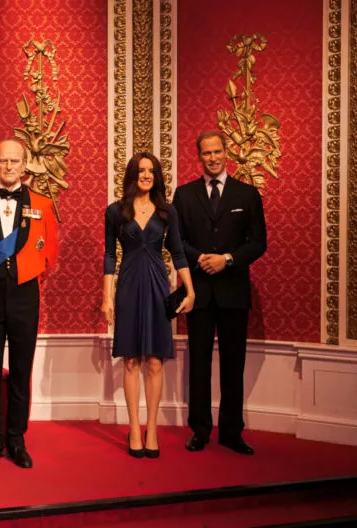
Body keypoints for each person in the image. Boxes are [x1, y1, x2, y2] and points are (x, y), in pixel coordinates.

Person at [0, 139, 59, 469]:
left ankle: (16, 439)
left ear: (24, 164)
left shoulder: (42, 203)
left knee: (20, 369)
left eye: (14, 161)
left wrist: (29, 274)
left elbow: (50, 251)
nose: (8, 167)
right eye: (3, 161)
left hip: (24, 293)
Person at [172, 130, 267, 455]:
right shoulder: (184, 195)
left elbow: (258, 243)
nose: (212, 158)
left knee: (233, 365)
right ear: (199, 156)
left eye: (216, 152)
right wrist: (200, 257)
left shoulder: (247, 194)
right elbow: (175, 240)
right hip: (197, 292)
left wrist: (226, 259)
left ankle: (231, 432)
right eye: (206, 153)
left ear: (226, 152)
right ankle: (199, 430)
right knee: (198, 365)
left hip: (234, 293)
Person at [102, 153, 195, 458]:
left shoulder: (168, 212)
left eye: (151, 170)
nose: (146, 175)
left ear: (157, 176)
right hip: (128, 286)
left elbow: (178, 253)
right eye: (141, 170)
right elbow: (109, 256)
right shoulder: (115, 211)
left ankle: (151, 428)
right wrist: (107, 297)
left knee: (155, 360)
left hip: (157, 285)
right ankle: (133, 428)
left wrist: (190, 290)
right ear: (132, 174)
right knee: (131, 359)